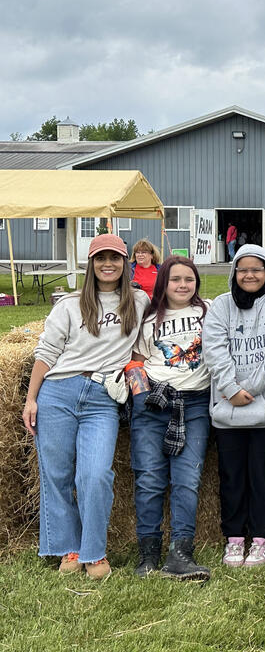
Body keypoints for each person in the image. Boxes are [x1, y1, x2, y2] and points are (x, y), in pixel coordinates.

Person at [23, 234, 148, 580]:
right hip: (58, 393)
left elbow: (146, 340)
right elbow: (46, 353)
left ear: (125, 263)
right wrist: (31, 399)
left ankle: (95, 550)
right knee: (57, 474)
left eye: (115, 257)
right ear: (90, 264)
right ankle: (70, 548)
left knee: (95, 474)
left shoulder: (139, 301)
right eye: (100, 258)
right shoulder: (69, 304)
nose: (108, 264)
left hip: (102, 398)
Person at [203, 244, 265, 568]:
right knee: (231, 477)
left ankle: (261, 539)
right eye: (243, 269)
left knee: (264, 476)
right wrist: (231, 389)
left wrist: (250, 389)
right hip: (226, 410)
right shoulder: (221, 305)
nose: (249, 275)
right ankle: (233, 539)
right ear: (234, 273)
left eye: (256, 269)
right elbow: (214, 349)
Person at [130, 255, 212, 580]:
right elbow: (135, 361)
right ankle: (148, 554)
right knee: (149, 479)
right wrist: (141, 396)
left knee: (187, 479)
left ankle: (181, 553)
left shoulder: (208, 312)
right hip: (154, 403)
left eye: (189, 279)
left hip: (194, 405)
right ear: (163, 282)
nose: (182, 285)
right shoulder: (149, 319)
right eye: (175, 279)